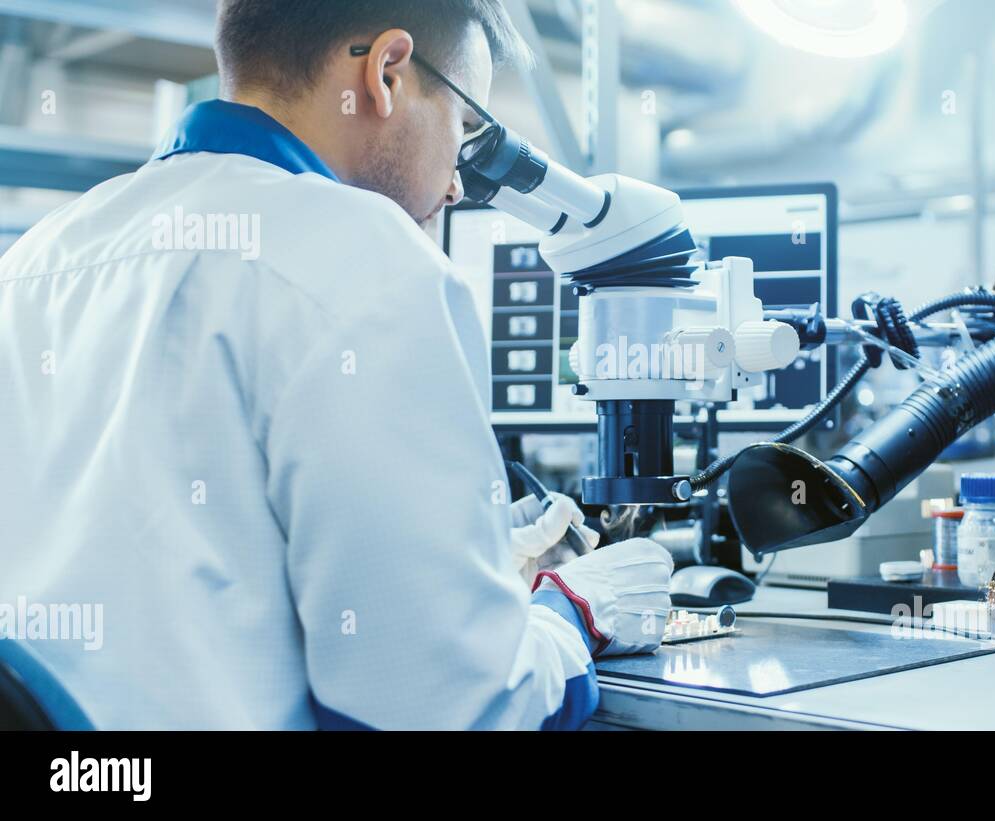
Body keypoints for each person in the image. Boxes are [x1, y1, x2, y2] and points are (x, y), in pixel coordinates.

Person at [0, 0, 672, 730]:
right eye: (463, 124)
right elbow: (452, 708)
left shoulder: (39, 256)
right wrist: (569, 613)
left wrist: (445, 555)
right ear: (385, 74)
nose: (455, 182)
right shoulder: (367, 259)